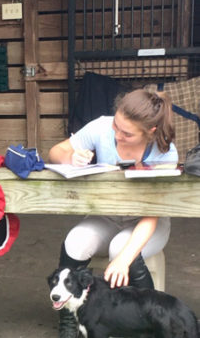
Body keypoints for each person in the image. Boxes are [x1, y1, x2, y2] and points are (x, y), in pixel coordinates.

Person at [48, 89, 177, 338]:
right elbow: (56, 151)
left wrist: (123, 259)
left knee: (120, 248)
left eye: (126, 133)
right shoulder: (101, 127)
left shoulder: (165, 151)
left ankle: (151, 321)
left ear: (149, 132)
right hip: (108, 214)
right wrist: (71, 157)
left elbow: (152, 213)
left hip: (148, 221)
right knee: (75, 241)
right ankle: (69, 318)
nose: (116, 135)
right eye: (116, 126)